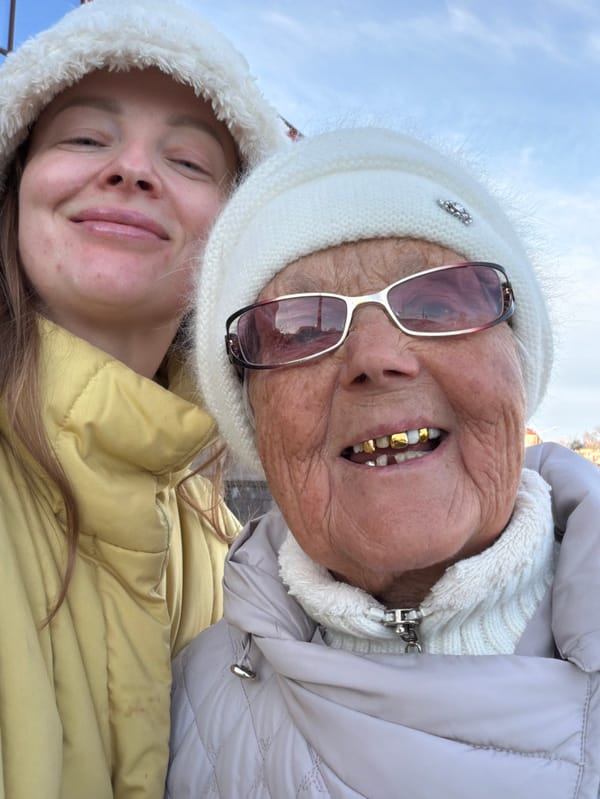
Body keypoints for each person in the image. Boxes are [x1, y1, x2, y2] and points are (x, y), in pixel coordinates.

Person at [168, 128, 600, 798]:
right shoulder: (182, 706)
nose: (377, 354)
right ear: (251, 416)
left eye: (437, 301)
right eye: (298, 328)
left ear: (517, 362)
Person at [0, 0, 288, 796]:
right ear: (15, 183)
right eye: (86, 139)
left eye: (190, 162)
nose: (131, 170)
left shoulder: (235, 551)